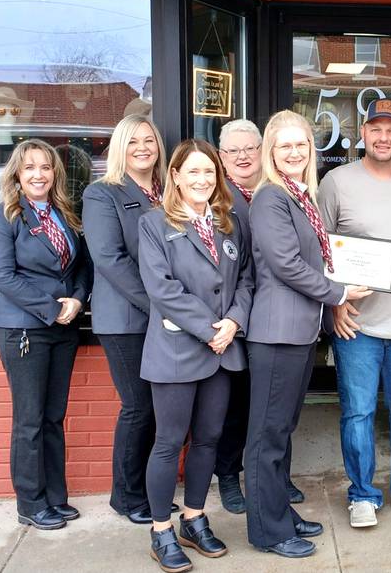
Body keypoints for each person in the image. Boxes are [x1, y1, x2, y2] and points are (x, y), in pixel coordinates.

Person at [245, 110, 371, 558]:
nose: (295, 152)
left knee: (283, 430)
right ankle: (268, 530)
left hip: (299, 332)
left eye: (302, 145)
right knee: (267, 436)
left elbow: (318, 256)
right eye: (285, 146)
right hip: (277, 333)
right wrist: (337, 293)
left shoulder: (301, 195)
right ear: (270, 153)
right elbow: (286, 265)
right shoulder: (270, 199)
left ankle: (282, 513)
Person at [138, 139, 254, 572]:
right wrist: (210, 330)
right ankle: (161, 530)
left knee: (208, 439)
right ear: (176, 176)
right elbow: (162, 288)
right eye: (193, 172)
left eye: (209, 172)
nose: (203, 180)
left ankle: (193, 518)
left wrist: (234, 324)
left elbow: (246, 279)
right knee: (169, 444)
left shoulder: (228, 222)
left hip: (222, 350)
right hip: (176, 350)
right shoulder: (155, 224)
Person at [318, 98, 391, 528]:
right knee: (358, 412)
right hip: (357, 325)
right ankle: (362, 494)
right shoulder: (336, 182)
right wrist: (335, 306)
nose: (383, 137)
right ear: (362, 134)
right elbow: (321, 250)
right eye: (376, 129)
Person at [0, 139, 90, 529]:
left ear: (54, 174)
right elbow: (5, 277)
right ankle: (30, 503)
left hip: (64, 327)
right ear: (17, 174)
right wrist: (52, 309)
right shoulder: (3, 216)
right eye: (30, 168)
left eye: (45, 167)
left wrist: (77, 300)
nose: (38, 174)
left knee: (53, 417)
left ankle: (55, 497)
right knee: (29, 419)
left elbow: (80, 266)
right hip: (24, 328)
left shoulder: (65, 213)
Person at [82, 114, 171, 524]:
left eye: (149, 140)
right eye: (133, 141)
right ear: (120, 147)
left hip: (163, 319)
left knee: (158, 408)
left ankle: (148, 494)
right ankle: (127, 497)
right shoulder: (103, 194)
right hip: (126, 321)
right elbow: (110, 260)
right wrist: (161, 305)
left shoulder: (167, 191)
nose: (142, 147)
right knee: (138, 408)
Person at [214, 119, 304, 514]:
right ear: (222, 157)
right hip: (233, 318)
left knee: (273, 409)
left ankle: (276, 478)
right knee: (236, 408)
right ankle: (230, 479)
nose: (243, 157)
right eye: (234, 151)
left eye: (250, 148)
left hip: (270, 315)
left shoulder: (281, 191)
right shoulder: (215, 198)